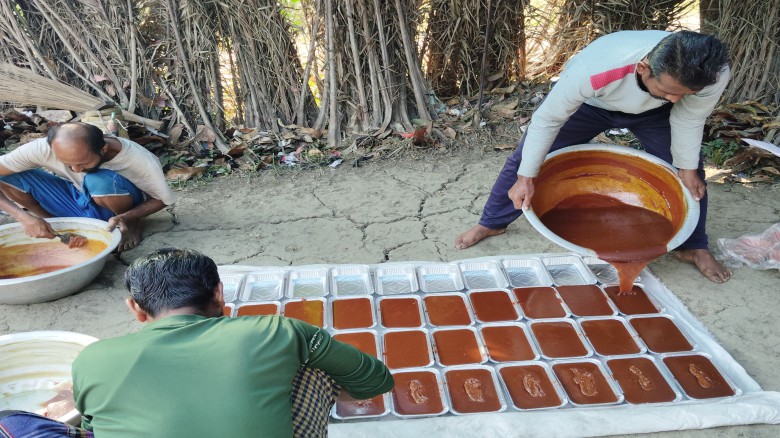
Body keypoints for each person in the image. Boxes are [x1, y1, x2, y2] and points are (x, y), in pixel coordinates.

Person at [454, 30, 733, 283]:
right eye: (669, 91)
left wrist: (686, 168)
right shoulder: (597, 67)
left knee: (689, 172)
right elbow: (548, 120)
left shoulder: (711, 74)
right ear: (643, 68)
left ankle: (693, 245)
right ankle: (491, 223)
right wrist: (527, 176)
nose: (675, 99)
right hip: (592, 104)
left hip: (655, 114)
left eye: (684, 94)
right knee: (525, 160)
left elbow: (688, 119)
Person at [67, 248, 393, 437]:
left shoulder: (92, 359)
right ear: (219, 293)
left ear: (135, 309)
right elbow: (376, 380)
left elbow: (93, 426)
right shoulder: (274, 331)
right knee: (312, 367)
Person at [0, 122, 175, 251]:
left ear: (104, 149)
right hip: (79, 199)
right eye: (67, 164)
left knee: (97, 179)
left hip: (116, 207)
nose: (76, 170)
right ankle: (54, 226)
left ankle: (129, 224)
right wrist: (22, 217)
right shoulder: (42, 148)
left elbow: (161, 199)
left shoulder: (139, 160)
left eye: (83, 163)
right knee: (7, 175)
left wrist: (127, 216)